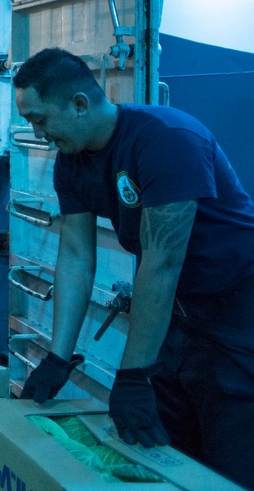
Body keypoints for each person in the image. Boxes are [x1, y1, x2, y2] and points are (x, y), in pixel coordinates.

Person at [14, 48, 254, 489]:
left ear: (80, 104)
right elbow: (75, 255)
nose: (39, 134)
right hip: (175, 316)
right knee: (165, 454)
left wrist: (132, 374)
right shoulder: (73, 160)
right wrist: (57, 355)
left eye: (42, 119)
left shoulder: (166, 139)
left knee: (230, 459)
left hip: (235, 316)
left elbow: (162, 262)